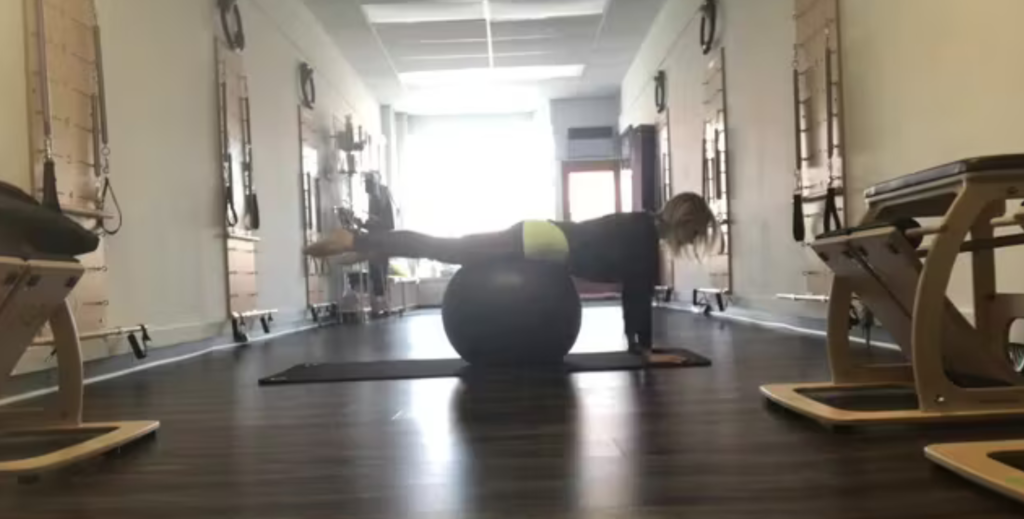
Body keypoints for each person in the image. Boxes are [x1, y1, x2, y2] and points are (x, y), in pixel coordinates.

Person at [305, 192, 719, 364]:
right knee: (447, 248)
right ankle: (355, 238)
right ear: (685, 222)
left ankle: (362, 242)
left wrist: (641, 347)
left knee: (448, 246)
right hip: (542, 241)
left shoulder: (641, 225)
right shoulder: (643, 238)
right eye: (696, 232)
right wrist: (645, 350)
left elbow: (635, 296)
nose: (694, 240)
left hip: (542, 238)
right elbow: (637, 298)